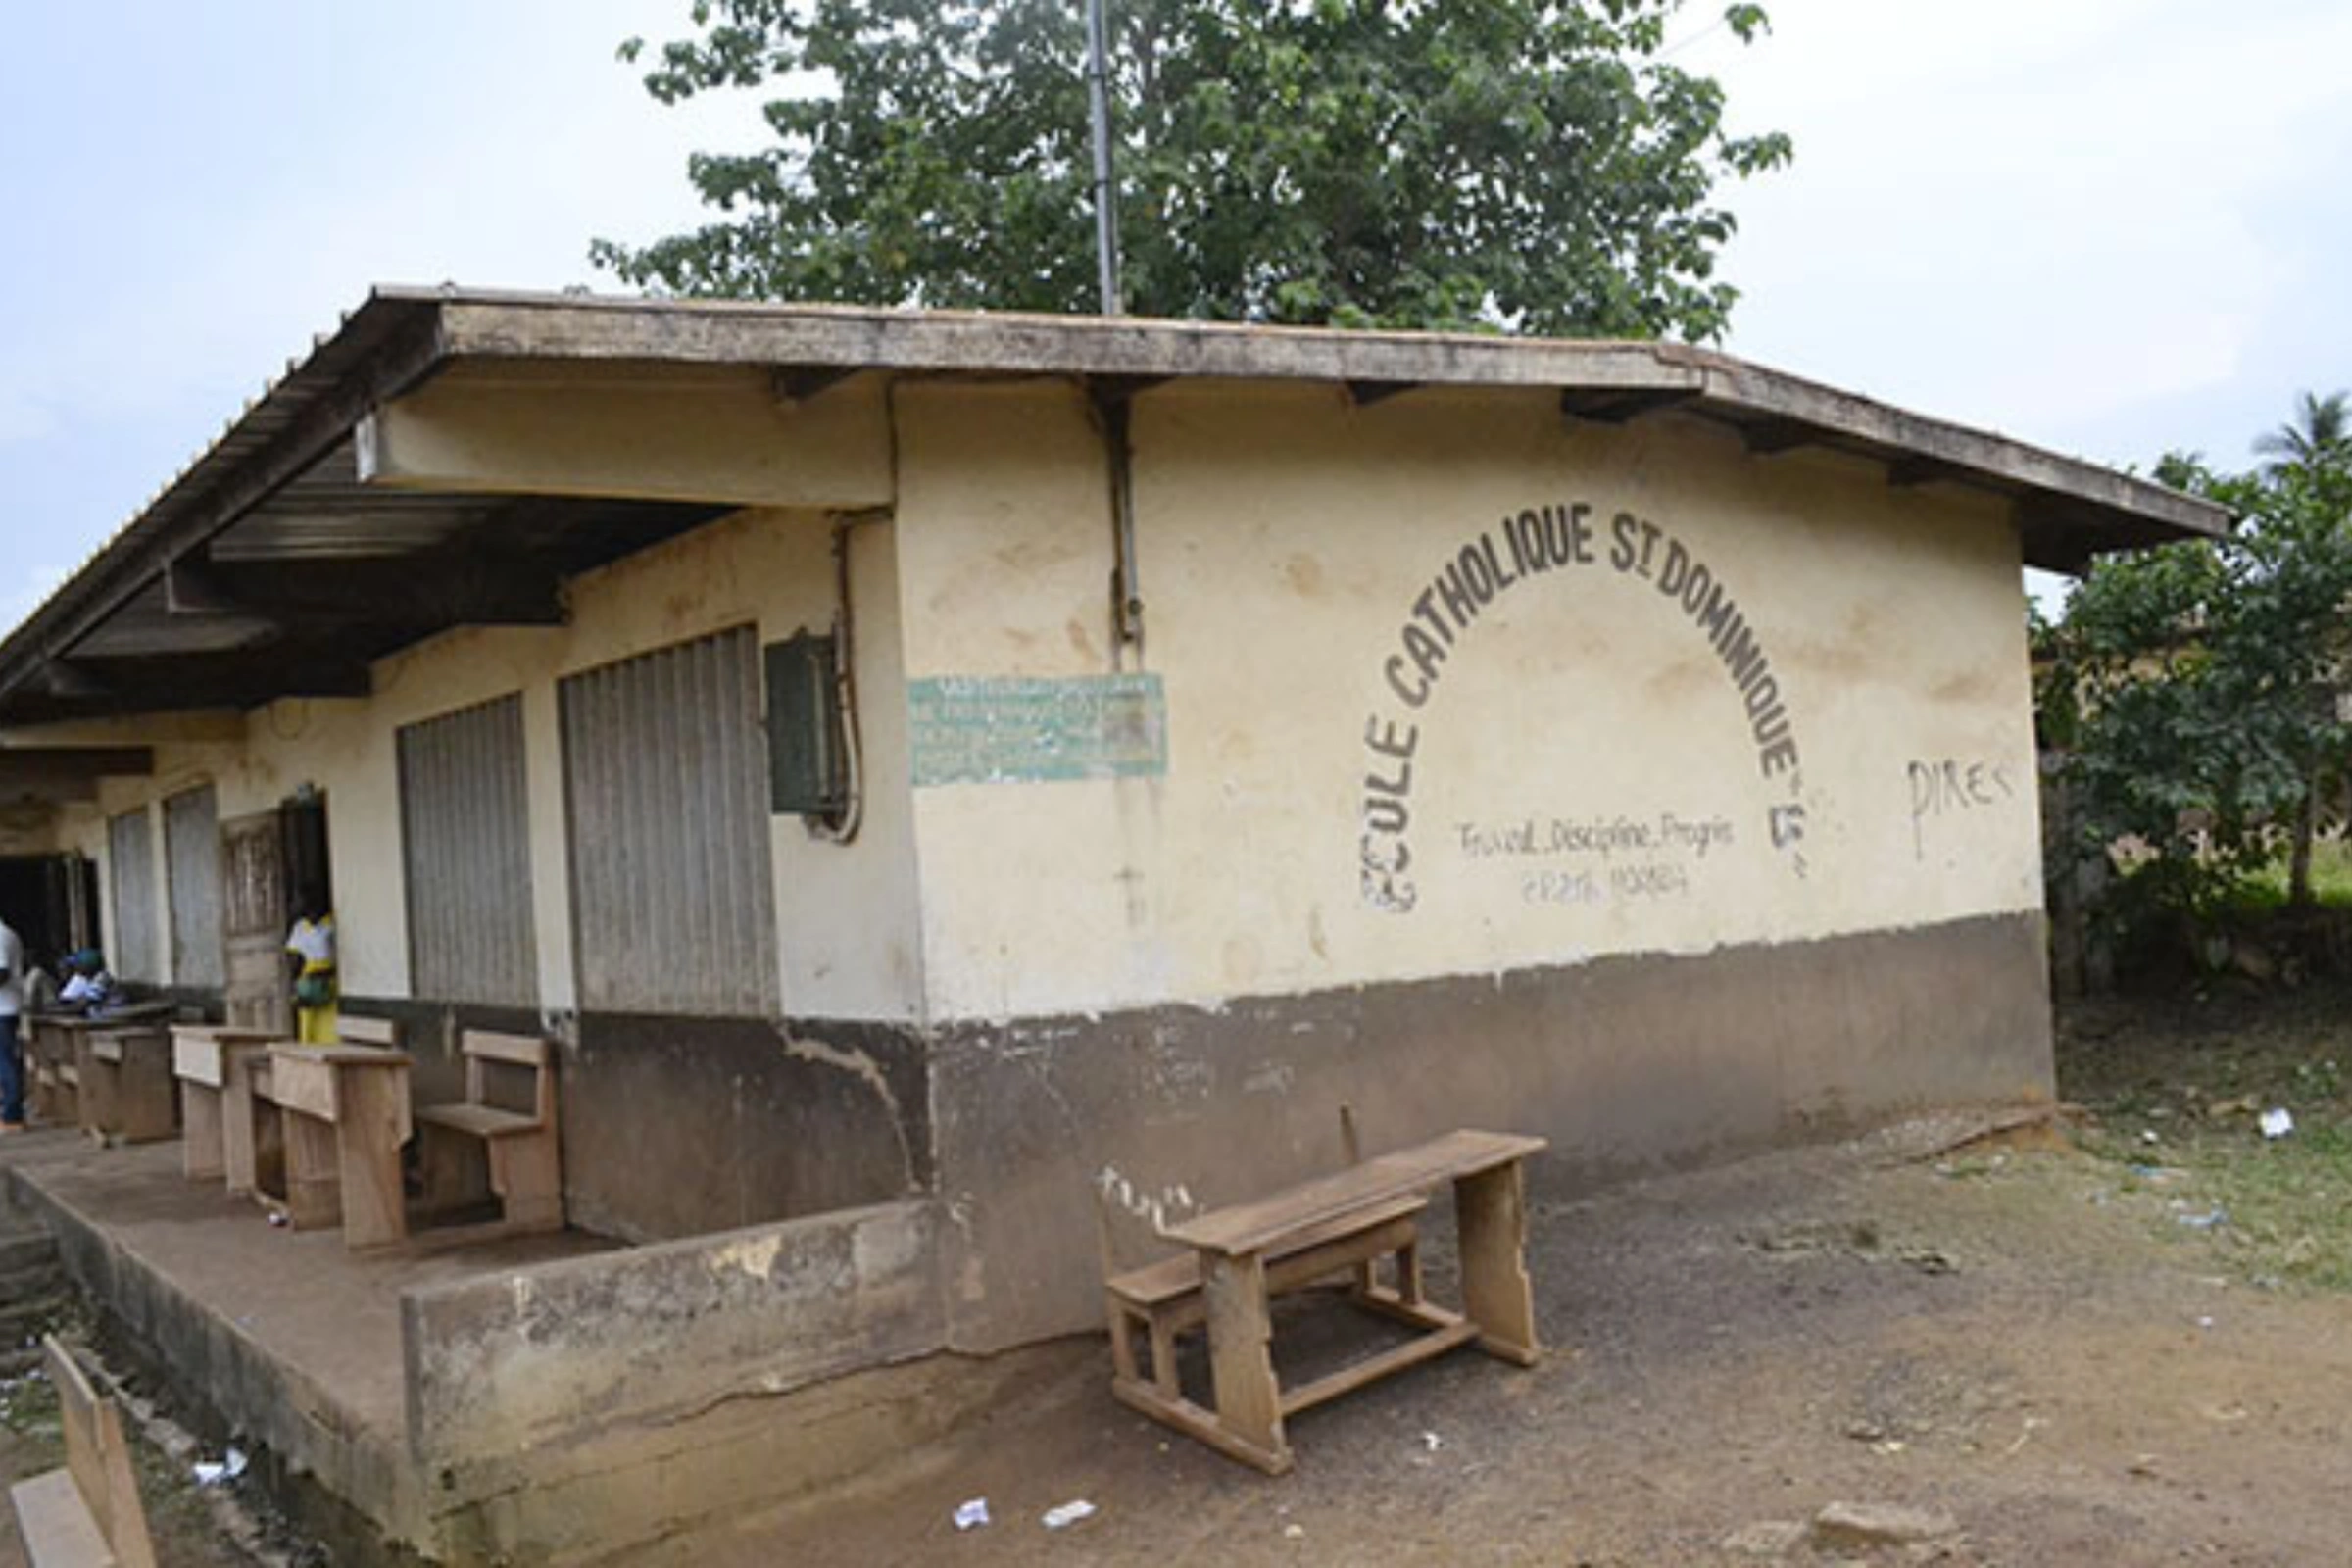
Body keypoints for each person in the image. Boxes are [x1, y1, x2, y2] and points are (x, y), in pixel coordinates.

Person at [285, 902, 338, 1045]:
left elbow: (340, 957)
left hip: (328, 981)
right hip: (307, 981)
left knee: (329, 1025)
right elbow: (293, 957)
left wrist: (323, 974)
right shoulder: (300, 927)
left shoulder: (331, 923)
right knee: (308, 1024)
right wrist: (296, 985)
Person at [0, 916, 24, 1132]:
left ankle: (12, 1115)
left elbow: (2, 972)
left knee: (5, 1061)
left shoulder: (2, 936)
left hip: (4, 1008)